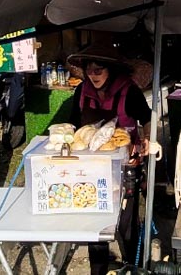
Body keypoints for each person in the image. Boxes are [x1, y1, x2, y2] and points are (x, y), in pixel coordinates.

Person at [63, 44, 154, 275]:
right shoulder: (81, 91)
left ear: (110, 70)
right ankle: (98, 270)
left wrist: (147, 141)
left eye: (99, 70)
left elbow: (146, 118)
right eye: (89, 71)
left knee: (126, 225)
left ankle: (132, 266)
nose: (93, 76)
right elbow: (73, 125)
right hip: (92, 169)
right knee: (95, 223)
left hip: (126, 166)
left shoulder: (129, 90)